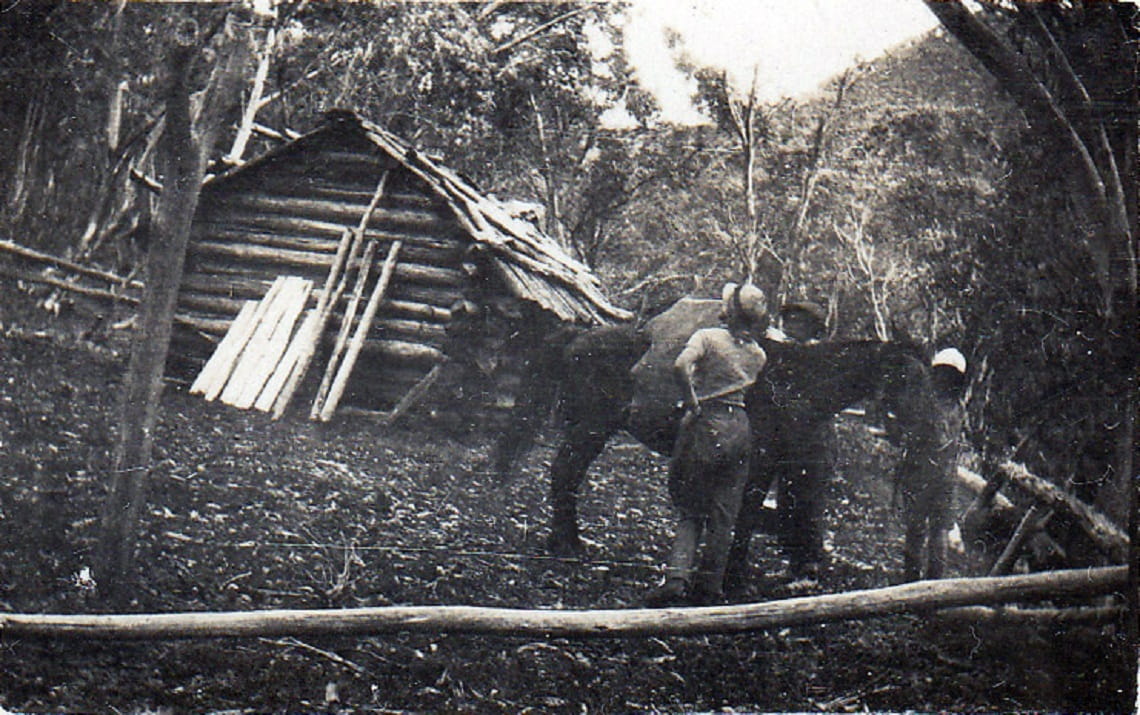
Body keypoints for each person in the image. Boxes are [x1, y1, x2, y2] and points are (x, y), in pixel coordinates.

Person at [646, 282, 768, 607]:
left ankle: (676, 579)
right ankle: (711, 586)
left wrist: (691, 402)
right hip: (740, 428)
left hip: (707, 424)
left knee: (690, 509)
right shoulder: (758, 354)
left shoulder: (707, 337)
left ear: (729, 312)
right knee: (724, 514)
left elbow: (679, 365)